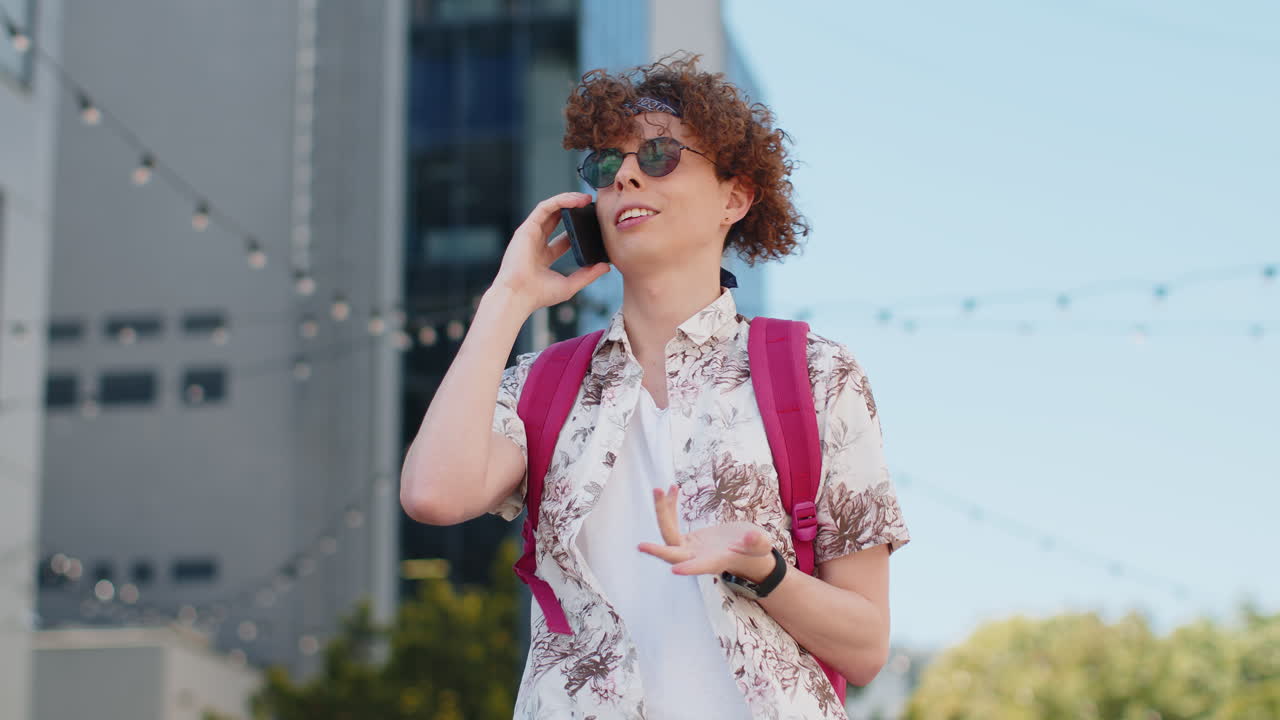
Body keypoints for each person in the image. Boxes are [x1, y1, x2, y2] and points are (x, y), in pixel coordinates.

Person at [400, 55, 910, 719]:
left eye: (661, 154)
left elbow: (867, 646)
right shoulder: (543, 385)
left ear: (736, 196)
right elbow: (432, 495)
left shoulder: (814, 374)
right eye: (606, 166)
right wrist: (507, 298)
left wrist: (764, 571)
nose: (628, 175)